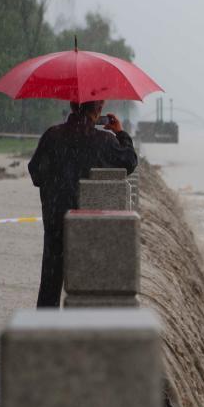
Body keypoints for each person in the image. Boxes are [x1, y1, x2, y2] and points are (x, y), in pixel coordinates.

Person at [28, 100, 138, 307]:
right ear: (98, 110)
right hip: (89, 224)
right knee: (88, 279)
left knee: (50, 283)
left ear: (72, 106)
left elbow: (35, 174)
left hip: (56, 219)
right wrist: (120, 133)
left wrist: (57, 183)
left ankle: (45, 328)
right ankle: (82, 326)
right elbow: (129, 161)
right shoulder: (104, 141)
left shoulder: (52, 136)